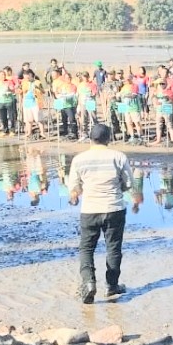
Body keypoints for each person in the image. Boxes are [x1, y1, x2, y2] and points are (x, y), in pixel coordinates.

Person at [66, 124, 133, 304]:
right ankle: (112, 285)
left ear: (90, 138)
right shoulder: (118, 157)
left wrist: (76, 194)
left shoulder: (79, 159)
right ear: (109, 139)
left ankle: (88, 283)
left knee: (87, 248)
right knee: (114, 247)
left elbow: (73, 187)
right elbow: (128, 183)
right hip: (114, 208)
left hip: (90, 209)